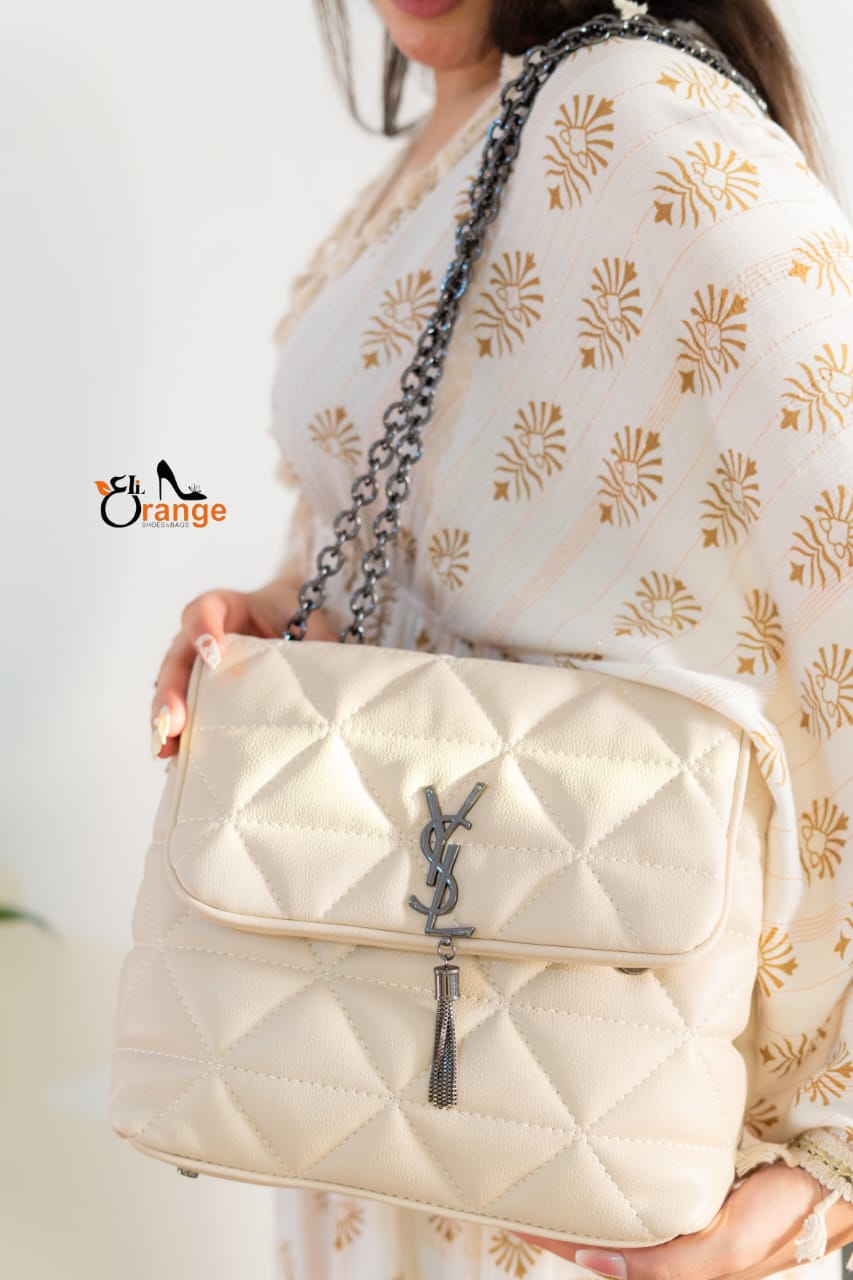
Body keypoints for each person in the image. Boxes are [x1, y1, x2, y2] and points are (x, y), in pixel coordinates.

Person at [149, 1, 853, 1276]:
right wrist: (286, 612)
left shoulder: (633, 115)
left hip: (592, 1112)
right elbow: (430, 538)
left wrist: (832, 1169)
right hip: (365, 1054)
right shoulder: (460, 132)